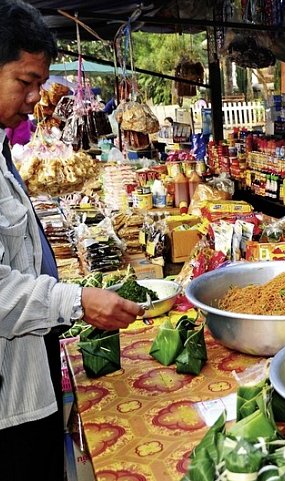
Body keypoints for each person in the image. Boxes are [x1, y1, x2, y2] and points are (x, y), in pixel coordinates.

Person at [0, 2, 144, 480]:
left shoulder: (1, 147)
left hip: (28, 374)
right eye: (26, 81)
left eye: (40, 84)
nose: (35, 98)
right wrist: (76, 301)